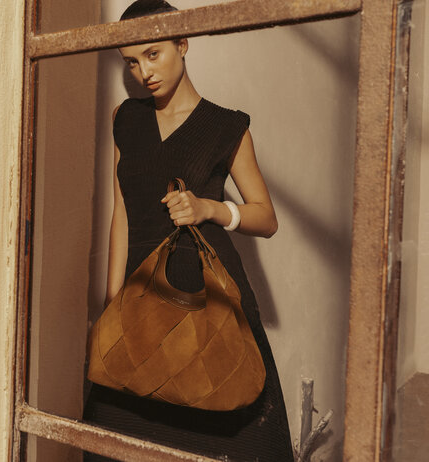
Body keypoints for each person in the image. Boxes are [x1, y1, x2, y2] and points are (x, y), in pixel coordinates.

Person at [83, 1, 294, 460]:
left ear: (183, 43)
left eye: (153, 54)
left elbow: (267, 218)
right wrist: (111, 302)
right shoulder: (126, 119)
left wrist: (210, 208)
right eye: (132, 62)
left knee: (229, 423)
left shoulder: (226, 126)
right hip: (139, 288)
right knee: (116, 430)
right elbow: (123, 213)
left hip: (207, 288)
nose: (144, 72)